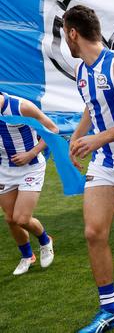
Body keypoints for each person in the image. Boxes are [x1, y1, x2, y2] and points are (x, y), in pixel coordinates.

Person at [63, 4, 114, 332]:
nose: (65, 41)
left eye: (65, 34)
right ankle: (110, 310)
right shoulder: (80, 72)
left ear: (72, 33)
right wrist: (76, 138)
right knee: (93, 232)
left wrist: (98, 139)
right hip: (105, 163)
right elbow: (91, 107)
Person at [0, 93, 57, 276]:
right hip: (4, 170)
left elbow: (53, 129)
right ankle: (27, 256)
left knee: (22, 219)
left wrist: (30, 154)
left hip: (30, 167)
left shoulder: (21, 106)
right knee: (10, 219)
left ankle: (45, 240)